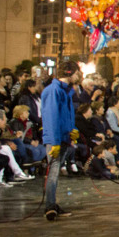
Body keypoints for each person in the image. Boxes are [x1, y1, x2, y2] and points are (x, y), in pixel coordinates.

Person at [39, 60, 81, 221]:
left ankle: (52, 204)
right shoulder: (53, 91)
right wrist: (55, 141)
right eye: (77, 72)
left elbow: (65, 115)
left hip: (63, 138)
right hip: (55, 139)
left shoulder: (64, 91)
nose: (79, 76)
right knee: (53, 172)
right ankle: (50, 206)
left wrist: (71, 130)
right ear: (70, 73)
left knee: (55, 172)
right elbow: (51, 117)